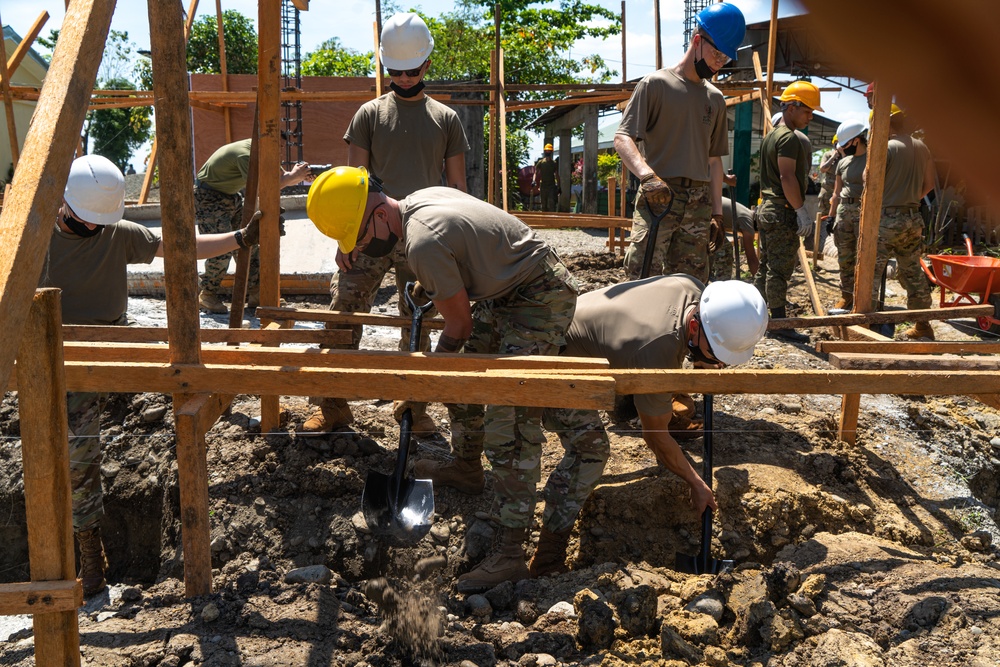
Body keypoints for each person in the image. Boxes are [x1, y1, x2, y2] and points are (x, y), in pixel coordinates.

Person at [306, 166, 579, 593]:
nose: (363, 248)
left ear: (378, 216)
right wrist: (432, 291)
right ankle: (468, 467)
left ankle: (510, 554)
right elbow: (465, 254)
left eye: (359, 239)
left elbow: (459, 327)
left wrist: (427, 382)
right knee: (463, 383)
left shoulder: (422, 241)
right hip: (503, 289)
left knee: (509, 415)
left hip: (537, 294)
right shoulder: (418, 199)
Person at [40, 154, 266, 596]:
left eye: (98, 224)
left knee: (86, 448)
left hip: (112, 349)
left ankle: (95, 554)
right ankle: (89, 552)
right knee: (73, 457)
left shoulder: (114, 232)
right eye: (87, 223)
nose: (94, 229)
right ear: (64, 206)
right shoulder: (36, 240)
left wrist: (240, 238)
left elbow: (180, 245)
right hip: (54, 354)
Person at [528, 277, 768, 577]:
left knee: (678, 406)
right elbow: (654, 438)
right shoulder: (656, 347)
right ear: (694, 328)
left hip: (597, 338)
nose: (720, 364)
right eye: (717, 355)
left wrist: (701, 363)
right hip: (553, 359)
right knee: (591, 451)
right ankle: (548, 557)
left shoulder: (696, 291)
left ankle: (641, 406)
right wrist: (695, 482)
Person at [303, 12, 470, 435]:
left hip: (424, 235)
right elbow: (355, 186)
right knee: (344, 311)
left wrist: (458, 246)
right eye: (395, 71)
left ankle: (413, 405)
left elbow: (456, 186)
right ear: (385, 68)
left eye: (412, 70)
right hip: (372, 229)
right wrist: (347, 242)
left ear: (427, 65)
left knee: (419, 321)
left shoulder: (446, 120)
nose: (405, 77)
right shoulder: (369, 115)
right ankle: (332, 404)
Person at [613, 2, 745, 282]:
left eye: (725, 58)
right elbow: (623, 138)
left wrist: (718, 215)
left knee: (690, 280)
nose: (720, 63)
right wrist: (647, 176)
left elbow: (714, 160)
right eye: (717, 53)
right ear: (697, 40)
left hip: (698, 201)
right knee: (641, 273)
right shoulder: (656, 85)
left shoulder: (715, 99)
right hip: (659, 194)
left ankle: (680, 327)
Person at [195, 138, 311, 314]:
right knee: (220, 248)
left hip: (230, 196)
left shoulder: (263, 151)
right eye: (277, 145)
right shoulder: (247, 154)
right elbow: (261, 189)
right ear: (265, 140)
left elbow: (278, 179)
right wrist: (293, 177)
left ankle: (257, 293)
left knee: (249, 242)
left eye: (281, 146)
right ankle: (207, 295)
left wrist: (297, 176)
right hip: (209, 198)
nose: (279, 150)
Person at [752, 81, 823, 344]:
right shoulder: (789, 139)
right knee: (779, 270)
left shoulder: (772, 135)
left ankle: (754, 315)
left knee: (766, 268)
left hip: (768, 210)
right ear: (792, 107)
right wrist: (801, 210)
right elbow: (787, 176)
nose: (811, 116)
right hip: (781, 211)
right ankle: (779, 323)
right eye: (807, 111)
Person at [874, 104, 936, 339]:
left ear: (887, 124)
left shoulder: (887, 148)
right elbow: (929, 185)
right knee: (912, 272)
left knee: (872, 271)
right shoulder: (922, 147)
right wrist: (909, 198)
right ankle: (923, 327)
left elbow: (868, 180)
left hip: (885, 218)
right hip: (913, 218)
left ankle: (867, 325)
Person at [826, 121, 868, 310]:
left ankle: (865, 298)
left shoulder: (873, 161)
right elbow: (836, 193)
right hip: (843, 214)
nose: (842, 148)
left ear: (857, 140)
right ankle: (847, 296)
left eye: (845, 144)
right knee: (845, 258)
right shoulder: (842, 163)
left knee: (864, 258)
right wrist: (831, 216)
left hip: (864, 213)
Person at [708, 197, 760, 281]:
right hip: (704, 212)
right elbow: (752, 259)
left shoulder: (747, 213)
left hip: (705, 208)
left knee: (720, 247)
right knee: (724, 252)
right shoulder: (748, 223)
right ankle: (722, 283)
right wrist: (760, 282)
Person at [533, 143, 559, 212]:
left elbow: (556, 175)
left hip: (551, 186)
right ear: (545, 151)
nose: (548, 152)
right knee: (543, 204)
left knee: (551, 204)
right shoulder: (541, 162)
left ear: (551, 152)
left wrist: (559, 186)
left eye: (549, 151)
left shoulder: (553, 163)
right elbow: (535, 172)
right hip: (543, 185)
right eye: (547, 150)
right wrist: (533, 181)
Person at [817, 138, 841, 214]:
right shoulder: (828, 155)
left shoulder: (847, 156)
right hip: (828, 190)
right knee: (826, 213)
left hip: (840, 190)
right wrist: (833, 157)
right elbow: (822, 169)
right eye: (836, 143)